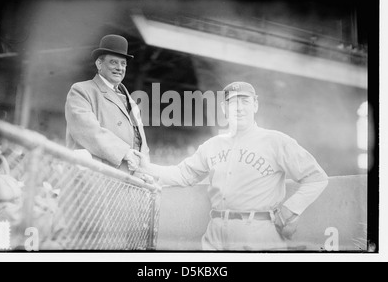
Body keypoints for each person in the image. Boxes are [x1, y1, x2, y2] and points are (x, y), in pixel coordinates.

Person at [133, 81, 329, 250]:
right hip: (215, 232)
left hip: (258, 231)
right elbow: (183, 174)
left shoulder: (276, 141)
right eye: (233, 102)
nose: (239, 108)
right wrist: (146, 167)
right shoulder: (212, 145)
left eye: (245, 101)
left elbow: (316, 177)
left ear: (255, 105)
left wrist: (289, 209)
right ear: (224, 108)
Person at [65, 34, 149, 174]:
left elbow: (142, 143)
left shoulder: (131, 101)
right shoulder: (81, 91)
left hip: (128, 181)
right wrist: (125, 153)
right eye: (113, 62)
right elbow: (89, 131)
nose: (119, 68)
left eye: (123, 64)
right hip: (95, 179)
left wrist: (145, 170)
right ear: (99, 64)